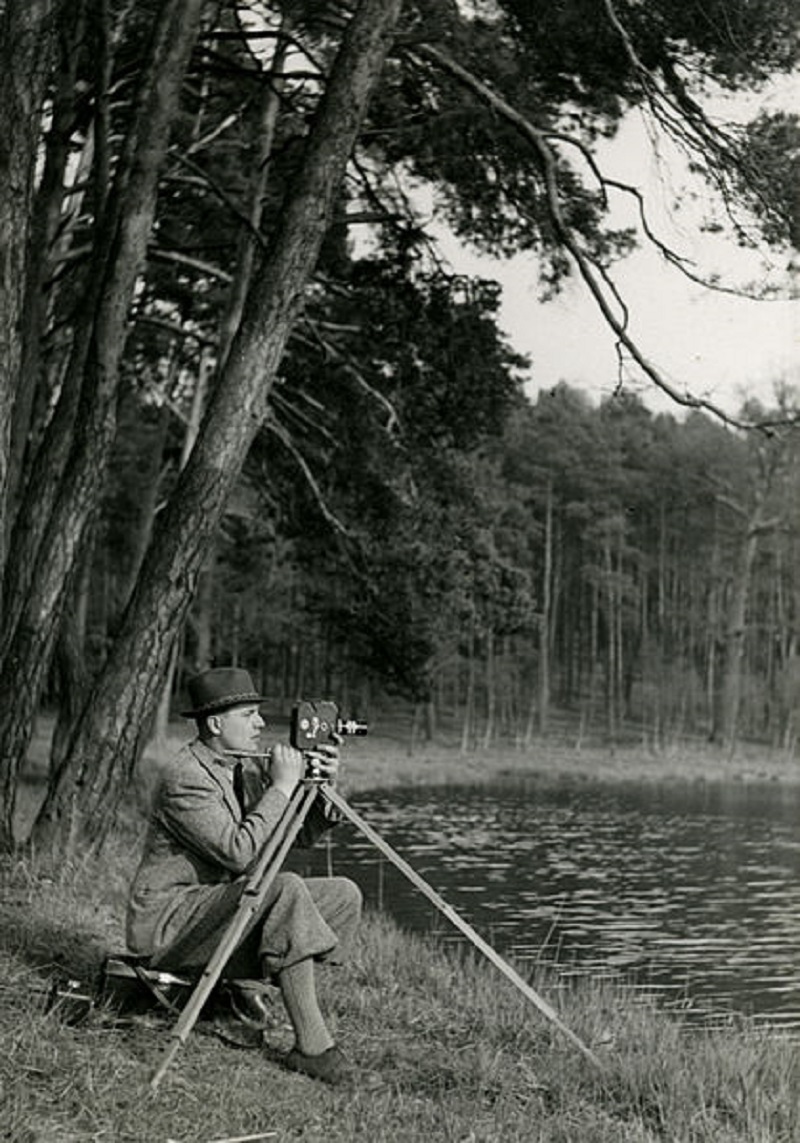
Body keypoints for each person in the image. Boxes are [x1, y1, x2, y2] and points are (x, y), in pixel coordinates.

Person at [126, 666, 362, 1086]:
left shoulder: (240, 766)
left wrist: (322, 785)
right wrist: (282, 788)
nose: (261, 724)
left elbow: (299, 834)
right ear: (216, 723)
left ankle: (246, 986)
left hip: (220, 910)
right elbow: (239, 852)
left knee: (344, 895)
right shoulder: (186, 778)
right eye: (249, 715)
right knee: (284, 888)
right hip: (171, 925)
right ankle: (314, 1048)